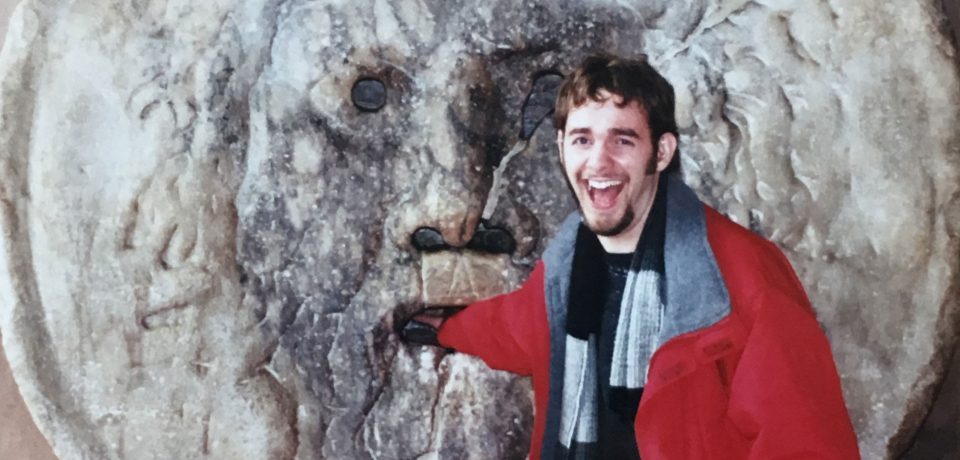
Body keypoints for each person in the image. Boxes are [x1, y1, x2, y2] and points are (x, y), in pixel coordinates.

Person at [405, 54, 860, 460]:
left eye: (622, 141)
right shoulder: (569, 264)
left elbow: (807, 443)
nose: (599, 163)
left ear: (660, 153)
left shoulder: (742, 278)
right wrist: (448, 328)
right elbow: (517, 327)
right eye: (582, 139)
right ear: (561, 147)